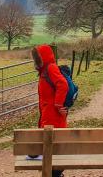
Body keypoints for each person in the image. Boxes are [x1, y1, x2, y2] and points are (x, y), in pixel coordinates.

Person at [31, 44, 69, 176]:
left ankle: (56, 173)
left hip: (53, 117)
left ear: (43, 58)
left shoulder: (50, 68)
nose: (35, 61)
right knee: (50, 146)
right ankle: (56, 173)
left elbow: (62, 84)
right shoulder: (45, 70)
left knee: (53, 146)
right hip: (48, 115)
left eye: (37, 58)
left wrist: (58, 105)